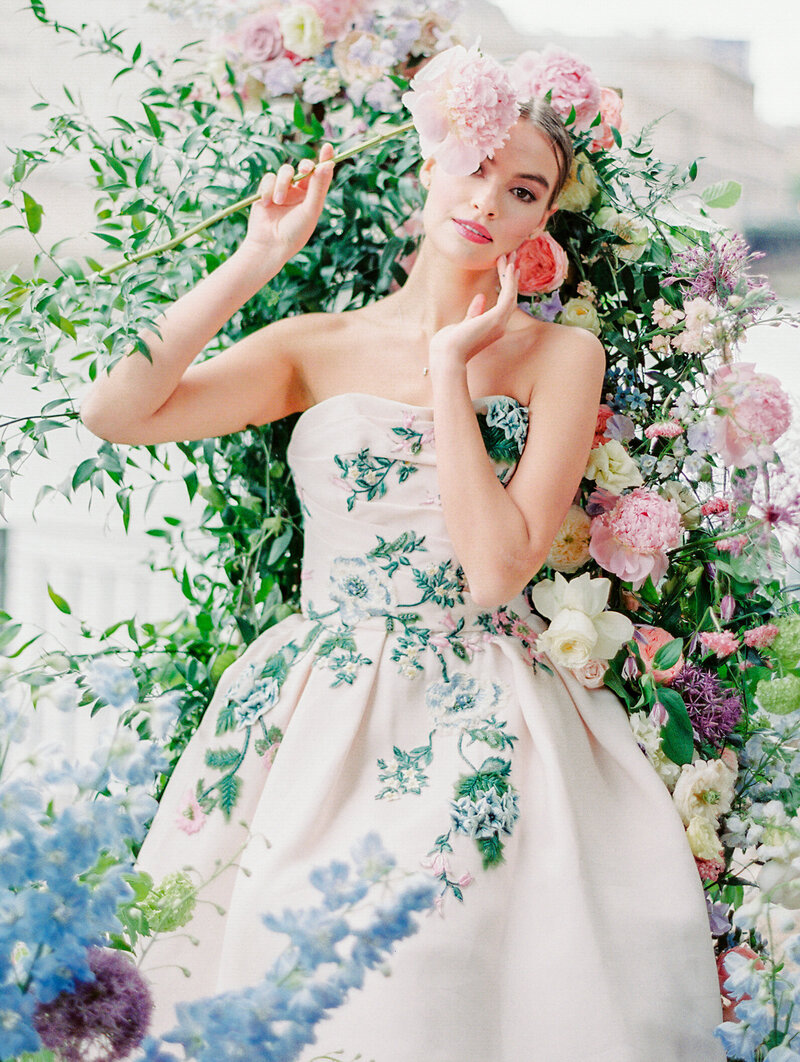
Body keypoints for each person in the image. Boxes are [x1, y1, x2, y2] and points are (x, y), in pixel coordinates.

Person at [80, 101, 725, 1061]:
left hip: (482, 709)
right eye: (473, 168)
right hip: (310, 706)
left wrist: (449, 370)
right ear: (427, 168)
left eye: (523, 190)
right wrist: (260, 255)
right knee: (270, 956)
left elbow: (497, 564)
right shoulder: (314, 343)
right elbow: (114, 412)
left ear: (540, 220)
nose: (488, 201)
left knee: (431, 969)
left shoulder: (559, 356)